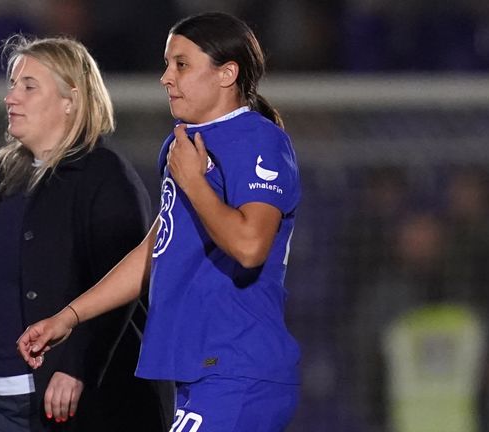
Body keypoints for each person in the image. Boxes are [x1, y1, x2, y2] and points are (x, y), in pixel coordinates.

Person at [18, 11, 302, 432]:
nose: (166, 77)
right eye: (167, 64)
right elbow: (157, 249)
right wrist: (70, 316)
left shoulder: (259, 139)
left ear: (226, 73)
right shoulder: (184, 142)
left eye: (181, 65)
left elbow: (249, 246)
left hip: (239, 366)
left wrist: (194, 182)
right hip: (202, 370)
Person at [0, 36, 173, 432]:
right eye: (12, 85)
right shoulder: (1, 177)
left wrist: (75, 367)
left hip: (77, 408)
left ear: (71, 100)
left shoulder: (108, 178)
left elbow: (123, 290)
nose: (10, 98)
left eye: (29, 86)